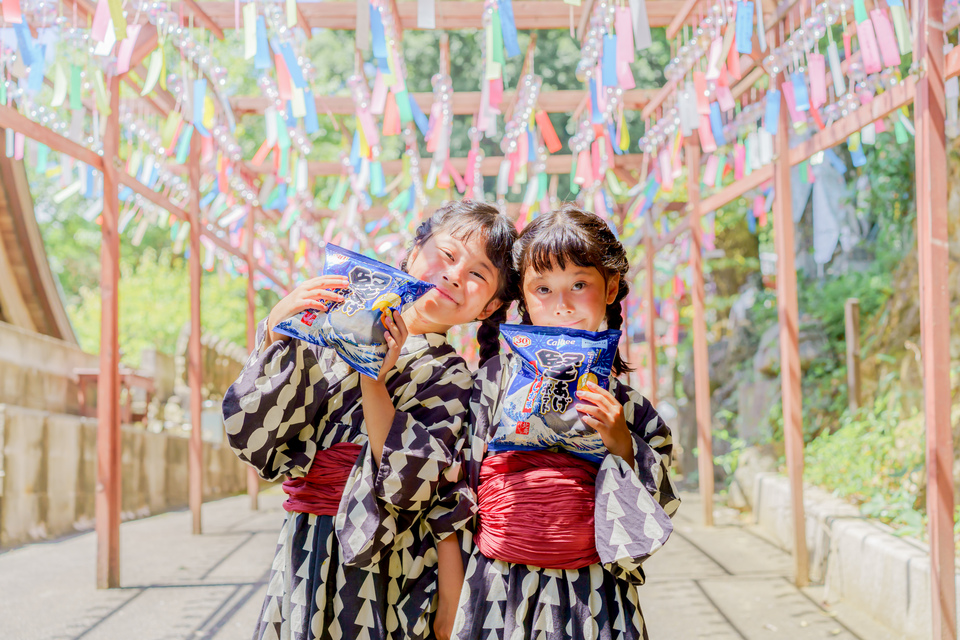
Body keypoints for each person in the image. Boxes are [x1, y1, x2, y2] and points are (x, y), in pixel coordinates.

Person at [222, 200, 517, 640]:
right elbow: (250, 435)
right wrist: (277, 330)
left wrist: (373, 381)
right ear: (414, 250)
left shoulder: (452, 375)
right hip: (306, 545)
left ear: (488, 307)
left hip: (390, 562)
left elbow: (412, 484)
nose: (456, 275)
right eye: (449, 254)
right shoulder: (332, 332)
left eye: (478, 274)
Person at [451, 205, 681, 640]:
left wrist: (622, 445)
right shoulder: (489, 385)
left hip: (593, 592)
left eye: (579, 283)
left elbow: (659, 507)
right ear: (522, 295)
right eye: (543, 288)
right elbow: (456, 484)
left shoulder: (628, 406)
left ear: (611, 287)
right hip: (498, 584)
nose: (562, 305)